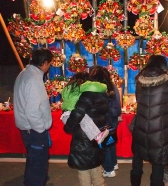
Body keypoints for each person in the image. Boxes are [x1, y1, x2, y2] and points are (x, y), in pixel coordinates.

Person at [131, 55, 168, 186]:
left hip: (140, 126)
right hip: (159, 129)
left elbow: (139, 102)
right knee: (158, 162)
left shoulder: (139, 80)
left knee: (137, 157)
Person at [63, 66, 111, 186]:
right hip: (96, 134)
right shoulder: (102, 94)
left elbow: (78, 112)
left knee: (84, 170)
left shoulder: (87, 94)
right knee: (96, 167)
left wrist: (68, 127)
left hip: (83, 137)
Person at [13, 48, 53, 186]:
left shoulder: (25, 73)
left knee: (33, 161)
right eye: (49, 64)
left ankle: (30, 182)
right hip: (34, 130)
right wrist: (41, 129)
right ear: (45, 63)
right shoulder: (34, 79)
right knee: (38, 165)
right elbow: (32, 111)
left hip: (28, 128)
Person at [61, 71, 109, 144]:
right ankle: (97, 135)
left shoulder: (68, 88)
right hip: (86, 132)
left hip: (69, 116)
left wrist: (68, 127)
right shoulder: (85, 91)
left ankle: (97, 135)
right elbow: (79, 110)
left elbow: (65, 99)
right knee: (85, 120)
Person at [101, 67, 122, 178]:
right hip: (113, 117)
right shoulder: (112, 86)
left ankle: (108, 169)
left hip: (106, 118)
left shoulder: (102, 88)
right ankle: (113, 164)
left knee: (105, 145)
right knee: (111, 142)